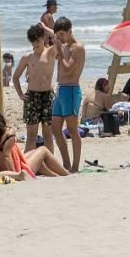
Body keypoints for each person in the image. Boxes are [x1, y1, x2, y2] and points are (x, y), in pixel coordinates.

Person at [0, 108, 69, 177]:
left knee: (36, 157)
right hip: (16, 171)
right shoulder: (7, 136)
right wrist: (16, 176)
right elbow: (7, 156)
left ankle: (54, 175)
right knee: (43, 150)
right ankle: (65, 174)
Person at [12, 24, 57, 152]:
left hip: (47, 96)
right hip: (32, 96)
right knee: (31, 135)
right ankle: (28, 164)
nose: (36, 44)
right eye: (33, 41)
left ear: (43, 38)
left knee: (48, 134)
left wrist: (45, 28)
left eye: (38, 40)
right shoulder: (27, 57)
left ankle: (50, 161)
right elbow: (15, 77)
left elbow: (58, 39)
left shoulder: (51, 52)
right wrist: (21, 95)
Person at [50, 17, 86, 172]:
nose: (60, 38)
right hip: (60, 89)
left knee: (72, 129)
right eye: (58, 35)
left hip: (71, 90)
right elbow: (57, 60)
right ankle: (66, 163)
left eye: (62, 35)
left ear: (70, 31)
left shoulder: (77, 48)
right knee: (55, 128)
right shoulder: (64, 47)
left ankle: (75, 166)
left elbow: (67, 68)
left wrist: (59, 49)